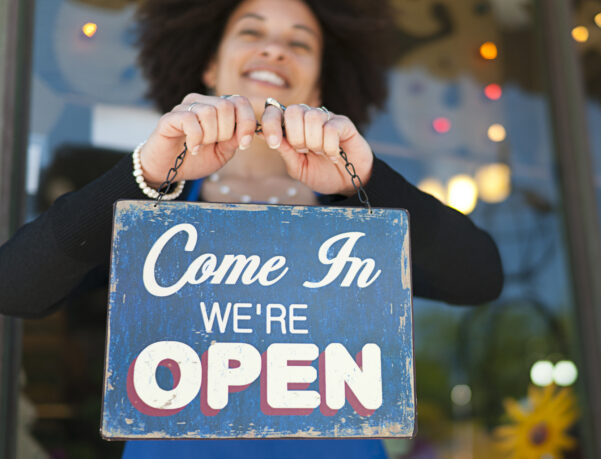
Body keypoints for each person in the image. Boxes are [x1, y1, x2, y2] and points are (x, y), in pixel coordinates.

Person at [0, 0, 503, 457]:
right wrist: (147, 175)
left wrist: (366, 181)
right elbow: (16, 287)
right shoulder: (152, 201)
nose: (274, 49)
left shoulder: (353, 210)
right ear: (210, 65)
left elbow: (478, 277)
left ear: (320, 83)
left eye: (299, 42)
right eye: (251, 31)